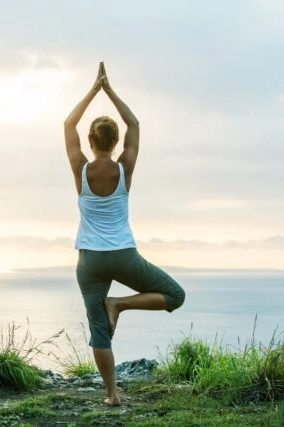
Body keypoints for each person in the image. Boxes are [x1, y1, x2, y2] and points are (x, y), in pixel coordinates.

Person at [63, 62, 185, 407]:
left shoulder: (81, 169)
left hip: (89, 261)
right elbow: (134, 123)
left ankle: (113, 395)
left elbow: (68, 123)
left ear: (90, 141)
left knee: (99, 331)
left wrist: (93, 89)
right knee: (174, 295)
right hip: (123, 254)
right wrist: (110, 90)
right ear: (117, 142)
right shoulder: (124, 167)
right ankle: (120, 304)